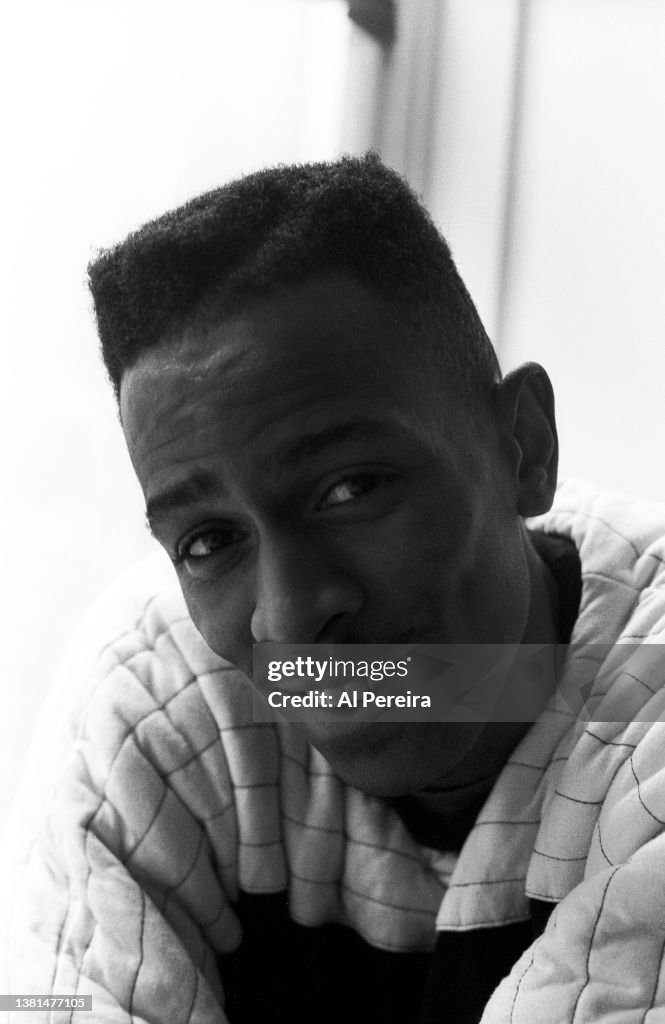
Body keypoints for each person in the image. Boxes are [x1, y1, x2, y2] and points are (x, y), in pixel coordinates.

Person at [3, 154, 665, 1024]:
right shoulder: (156, 701)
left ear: (523, 448)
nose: (291, 616)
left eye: (350, 488)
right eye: (208, 542)